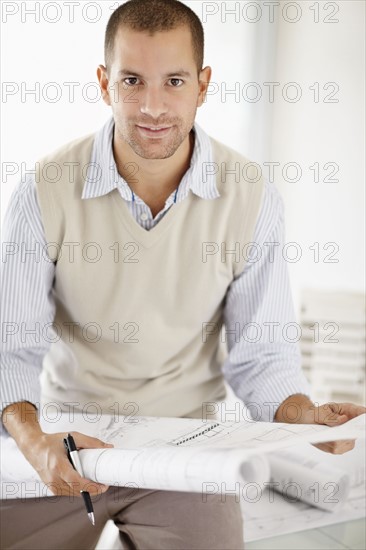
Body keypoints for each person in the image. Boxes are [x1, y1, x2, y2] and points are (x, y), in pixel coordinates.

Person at [1, 0, 365, 549]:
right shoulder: (43, 189)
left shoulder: (252, 196)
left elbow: (262, 357)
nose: (152, 106)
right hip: (69, 438)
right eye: (131, 80)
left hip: (186, 448)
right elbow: (13, 348)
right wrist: (32, 440)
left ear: (203, 84)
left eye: (174, 81)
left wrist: (303, 415)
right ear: (104, 84)